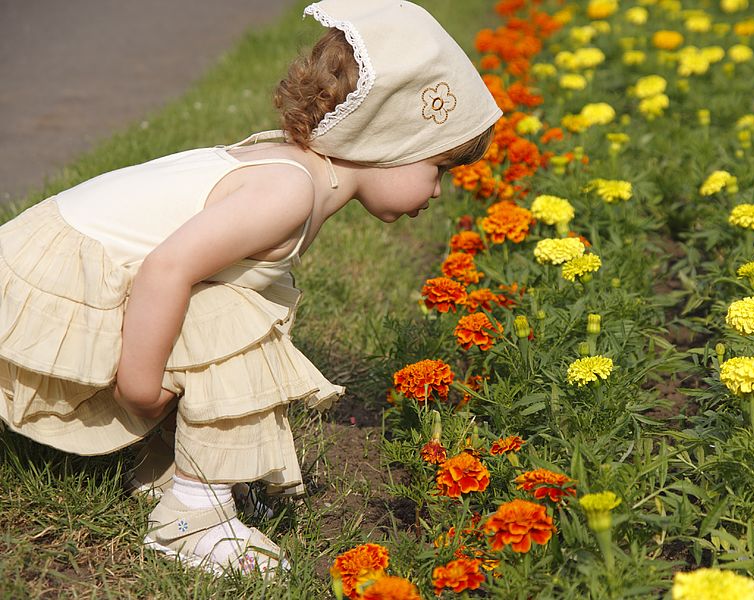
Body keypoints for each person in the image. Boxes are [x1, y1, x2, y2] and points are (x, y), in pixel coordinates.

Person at [0, 0, 501, 579]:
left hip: (56, 259)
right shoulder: (288, 191)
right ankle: (191, 517)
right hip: (56, 274)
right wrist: (140, 387)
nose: (437, 192)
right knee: (238, 327)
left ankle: (172, 472)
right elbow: (167, 270)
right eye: (437, 169)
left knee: (228, 309)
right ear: (387, 139)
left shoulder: (297, 170)